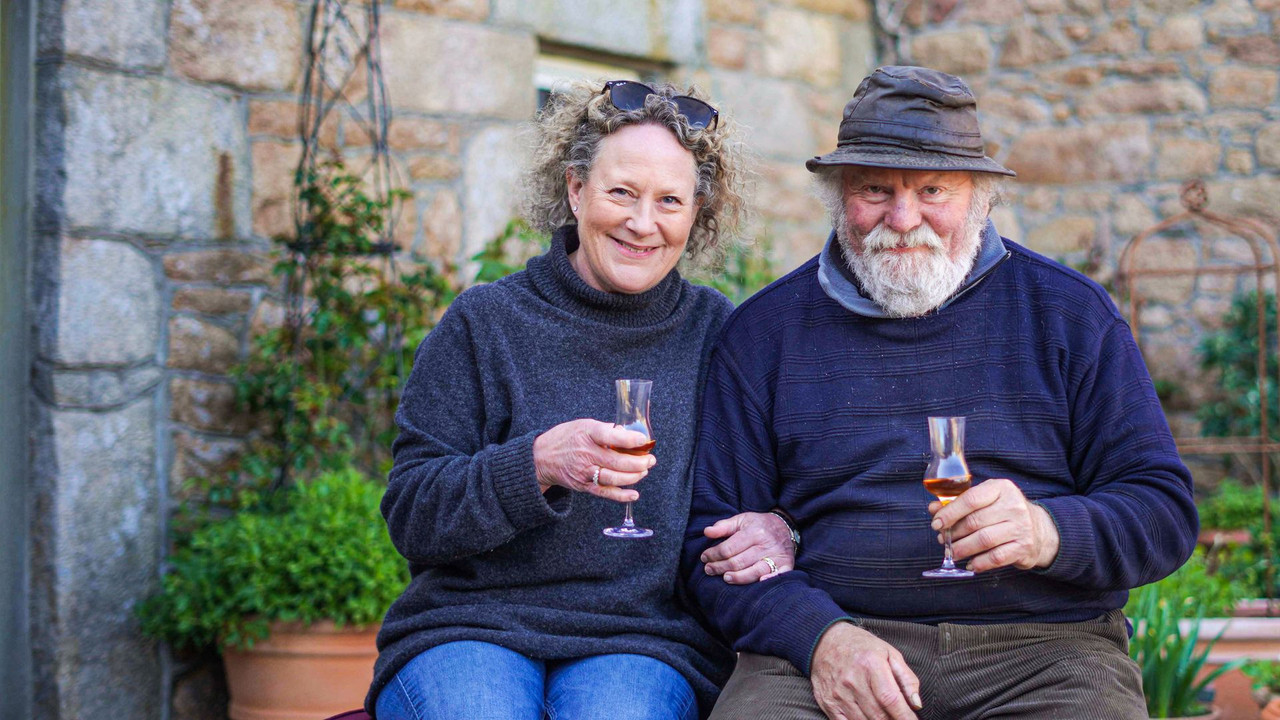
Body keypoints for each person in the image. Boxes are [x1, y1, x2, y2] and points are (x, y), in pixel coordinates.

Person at [681, 66, 1198, 720]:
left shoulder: (1070, 315)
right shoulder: (765, 334)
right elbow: (709, 547)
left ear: (979, 197)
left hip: (1045, 658)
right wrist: (818, 638)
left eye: (933, 190)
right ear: (841, 194)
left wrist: (1048, 530)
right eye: (875, 189)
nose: (904, 219)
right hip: (833, 645)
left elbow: (1164, 512)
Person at [367, 80, 795, 720]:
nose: (642, 223)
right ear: (574, 189)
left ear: (697, 213)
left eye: (670, 201)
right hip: (470, 628)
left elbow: (780, 483)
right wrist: (535, 464)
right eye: (621, 191)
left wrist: (780, 527)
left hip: (643, 641)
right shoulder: (485, 323)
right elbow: (411, 515)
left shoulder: (718, 335)